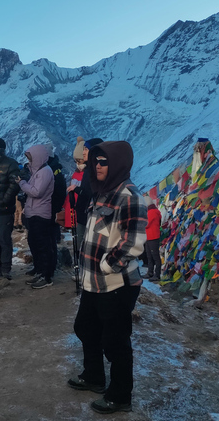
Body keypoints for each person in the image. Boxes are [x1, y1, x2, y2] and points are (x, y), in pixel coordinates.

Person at [69, 141, 147, 414]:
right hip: (93, 282)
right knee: (85, 328)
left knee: (115, 341)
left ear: (117, 164)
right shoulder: (101, 192)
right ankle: (94, 376)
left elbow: (132, 244)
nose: (98, 166)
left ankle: (120, 395)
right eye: (95, 161)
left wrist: (106, 266)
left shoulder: (129, 196)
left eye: (104, 162)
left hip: (116, 283)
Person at [17, 144, 55, 289]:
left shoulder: (45, 172)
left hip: (41, 213)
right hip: (33, 212)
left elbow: (36, 192)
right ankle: (40, 271)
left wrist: (22, 183)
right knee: (34, 243)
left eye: (30, 157)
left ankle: (46, 276)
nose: (29, 160)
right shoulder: (37, 171)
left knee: (43, 246)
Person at [0, 137, 21, 280]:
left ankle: (5, 268)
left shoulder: (10, 164)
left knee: (4, 239)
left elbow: (15, 184)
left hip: (5, 209)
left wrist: (4, 200)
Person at [144, 197, 162, 281]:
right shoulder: (154, 211)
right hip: (150, 236)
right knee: (149, 255)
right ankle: (150, 272)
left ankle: (157, 274)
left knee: (155, 256)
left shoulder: (151, 212)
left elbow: (146, 224)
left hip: (152, 237)